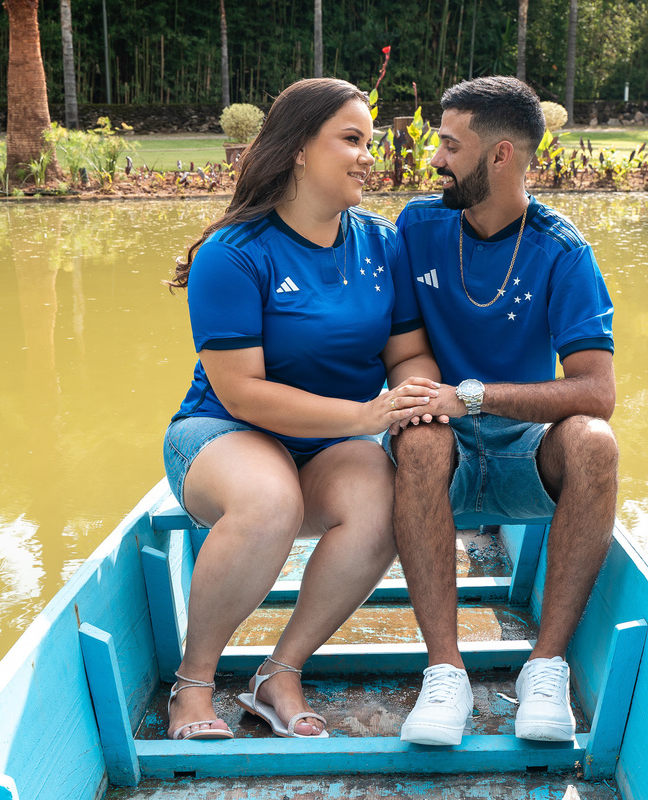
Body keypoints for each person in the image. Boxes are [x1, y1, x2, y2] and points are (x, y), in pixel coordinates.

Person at [162, 78, 440, 740]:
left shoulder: (382, 242)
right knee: (270, 499)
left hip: (331, 444)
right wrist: (365, 417)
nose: (370, 156)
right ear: (297, 150)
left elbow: (407, 353)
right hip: (224, 435)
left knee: (383, 499)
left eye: (370, 142)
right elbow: (242, 391)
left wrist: (416, 394)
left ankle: (278, 673)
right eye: (351, 140)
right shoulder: (234, 253)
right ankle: (193, 684)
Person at [385, 76, 619, 746]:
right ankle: (445, 672)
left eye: (450, 146)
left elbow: (597, 391)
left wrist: (477, 396)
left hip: (524, 450)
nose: (435, 160)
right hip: (445, 447)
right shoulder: (418, 226)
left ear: (500, 157)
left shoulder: (563, 251)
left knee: (596, 442)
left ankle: (545, 667)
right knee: (423, 439)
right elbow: (392, 340)